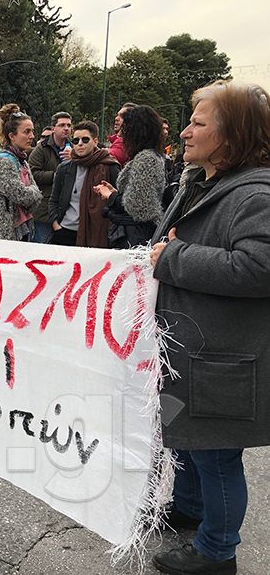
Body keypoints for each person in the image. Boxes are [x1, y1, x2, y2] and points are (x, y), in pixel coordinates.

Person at [148, 80, 270, 575]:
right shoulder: (203, 182)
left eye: (198, 123)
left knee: (217, 457)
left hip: (221, 357)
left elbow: (260, 268)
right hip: (194, 349)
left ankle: (217, 551)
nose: (184, 131)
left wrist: (174, 258)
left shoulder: (256, 193)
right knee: (190, 441)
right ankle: (190, 509)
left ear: (231, 134)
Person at [93, 105, 166, 248]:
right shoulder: (149, 156)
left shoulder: (146, 159)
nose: (122, 135)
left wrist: (110, 195)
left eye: (125, 129)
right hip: (136, 232)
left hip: (136, 235)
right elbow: (139, 196)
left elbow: (138, 206)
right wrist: (116, 192)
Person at [48, 121, 120, 247]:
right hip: (65, 232)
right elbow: (54, 200)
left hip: (97, 234)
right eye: (76, 141)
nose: (80, 144)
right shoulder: (64, 168)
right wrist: (56, 226)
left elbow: (118, 201)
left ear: (95, 142)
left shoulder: (110, 167)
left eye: (85, 140)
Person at [0, 104, 42, 241]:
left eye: (32, 131)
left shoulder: (21, 160)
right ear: (12, 136)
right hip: (2, 233)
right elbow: (23, 196)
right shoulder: (3, 161)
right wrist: (34, 192)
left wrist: (32, 193)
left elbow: (34, 199)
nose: (32, 136)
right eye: (27, 132)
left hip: (19, 228)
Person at [29, 111, 72, 243]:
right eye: (62, 125)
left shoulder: (75, 148)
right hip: (44, 210)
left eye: (69, 125)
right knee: (41, 247)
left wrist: (75, 159)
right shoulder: (41, 149)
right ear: (53, 128)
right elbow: (32, 174)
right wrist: (55, 176)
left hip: (68, 211)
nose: (66, 128)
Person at [109, 103, 136, 167]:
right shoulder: (117, 140)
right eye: (117, 115)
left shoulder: (125, 143)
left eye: (122, 116)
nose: (116, 118)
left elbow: (107, 156)